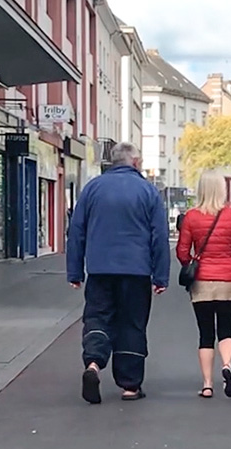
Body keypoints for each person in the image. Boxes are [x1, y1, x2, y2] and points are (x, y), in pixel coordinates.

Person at [67, 142, 170, 404]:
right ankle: (130, 385)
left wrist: (75, 271)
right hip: (136, 271)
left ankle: (93, 364)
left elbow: (76, 231)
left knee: (98, 317)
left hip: (100, 269)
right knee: (131, 324)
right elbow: (159, 236)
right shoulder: (148, 191)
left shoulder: (92, 188)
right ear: (135, 162)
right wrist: (160, 276)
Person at [176, 170, 231, 399]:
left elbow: (182, 251)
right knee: (227, 330)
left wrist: (191, 265)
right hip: (229, 281)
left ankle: (207, 384)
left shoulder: (191, 216)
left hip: (201, 283)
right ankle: (227, 365)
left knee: (205, 333)